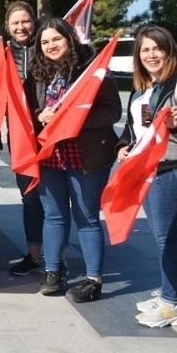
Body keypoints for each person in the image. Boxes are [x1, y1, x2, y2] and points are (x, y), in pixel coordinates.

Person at [27, 18, 120, 302]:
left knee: (87, 218)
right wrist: (38, 115)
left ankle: (94, 279)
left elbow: (112, 112)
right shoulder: (37, 75)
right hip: (50, 156)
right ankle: (52, 271)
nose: (51, 46)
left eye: (56, 39)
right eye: (44, 42)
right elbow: (28, 111)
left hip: (86, 156)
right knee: (54, 216)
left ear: (69, 39)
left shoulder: (94, 72)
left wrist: (76, 120)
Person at [117, 24, 177, 327]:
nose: (151, 54)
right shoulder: (143, 89)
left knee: (166, 237)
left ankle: (170, 304)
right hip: (144, 169)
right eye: (145, 49)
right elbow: (134, 129)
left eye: (157, 48)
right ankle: (171, 293)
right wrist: (122, 147)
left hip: (170, 168)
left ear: (169, 50)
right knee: (160, 236)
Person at [4, 1, 45, 277]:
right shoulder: (3, 53)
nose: (21, 27)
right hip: (19, 137)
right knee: (29, 197)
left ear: (34, 21)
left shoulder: (48, 47)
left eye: (26, 21)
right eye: (15, 23)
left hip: (49, 134)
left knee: (53, 200)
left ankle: (56, 257)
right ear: (8, 26)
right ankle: (33, 255)